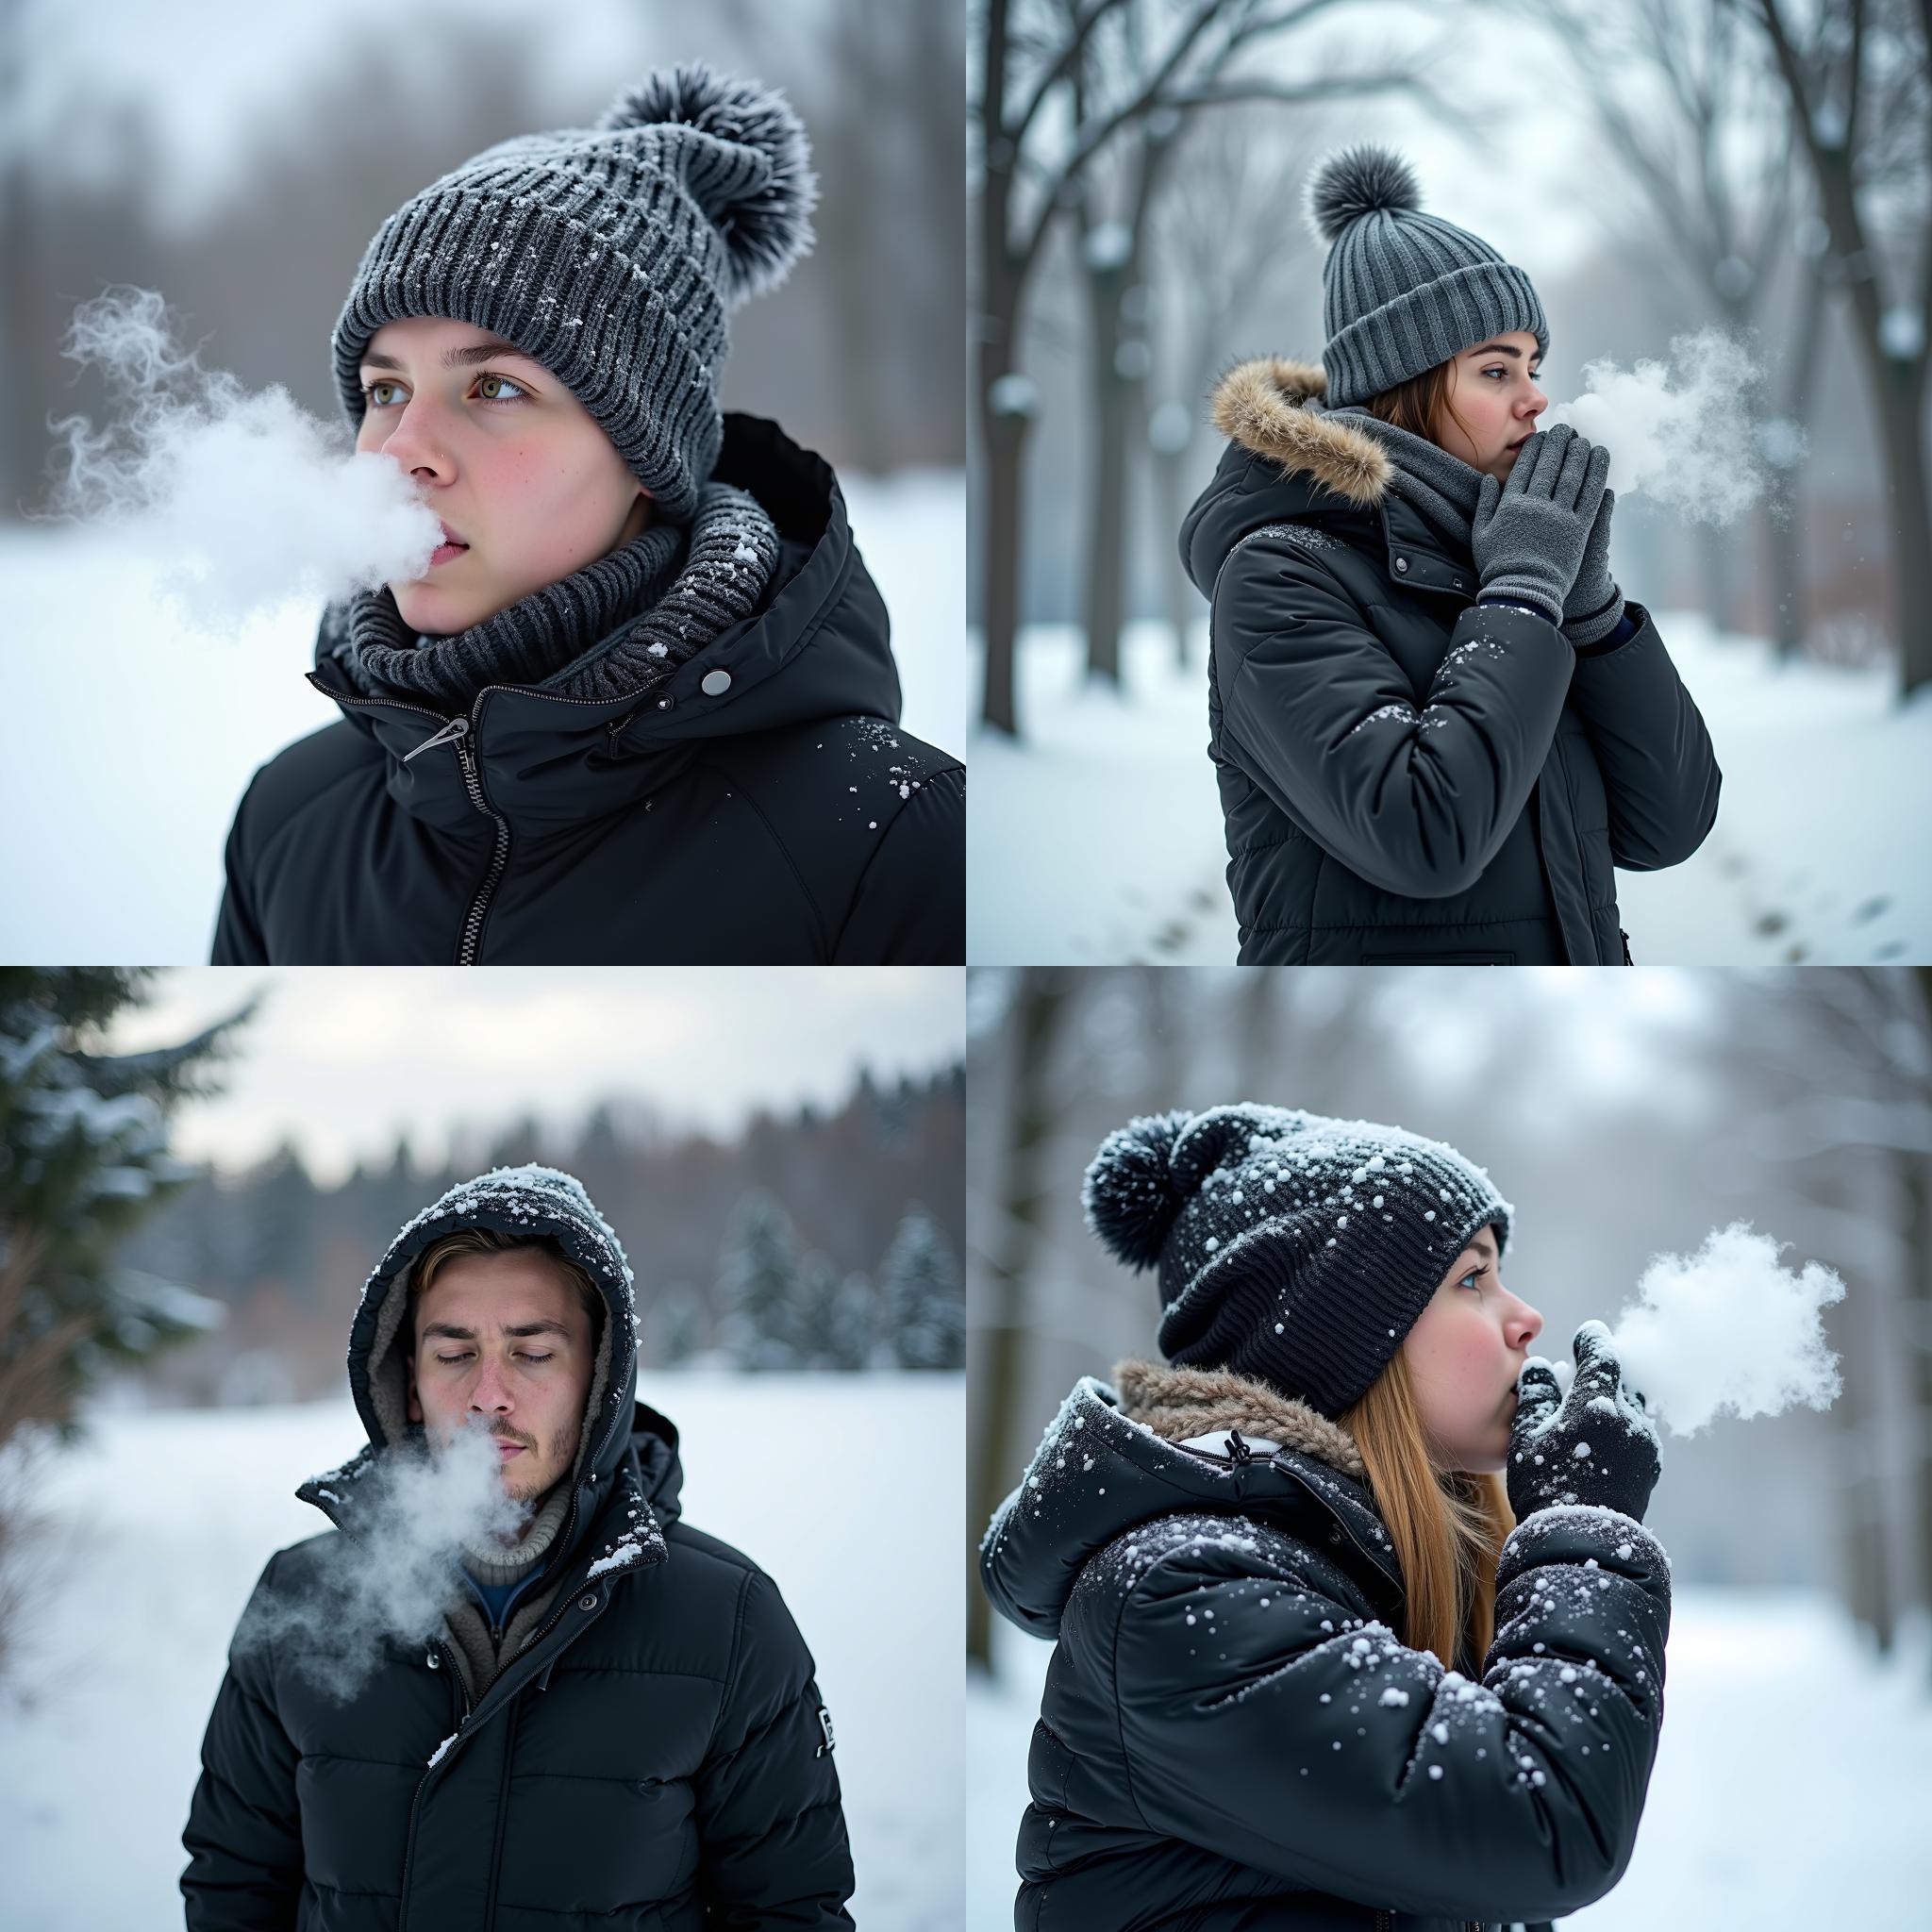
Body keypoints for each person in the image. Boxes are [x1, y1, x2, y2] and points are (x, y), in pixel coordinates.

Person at [212, 64, 963, 965]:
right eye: (384, 390)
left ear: (646, 455)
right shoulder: (287, 817)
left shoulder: (889, 834)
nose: (402, 449)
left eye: (492, 386)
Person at [980, 1104, 1670, 1930]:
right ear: (1339, 1338)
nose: (1527, 1319)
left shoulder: (1376, 1575)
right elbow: (1546, 1824)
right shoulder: (1179, 1596)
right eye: (1472, 1280)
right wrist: (1584, 1522)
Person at [182, 1164, 854, 1929]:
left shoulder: (728, 1621)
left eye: (532, 1353)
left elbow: (792, 1911)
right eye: (454, 1352)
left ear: (598, 1381)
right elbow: (232, 1887)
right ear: (406, 1381)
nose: (488, 1394)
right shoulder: (302, 1599)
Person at [1179, 143, 1719, 965]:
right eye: (1496, 370)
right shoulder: (1280, 575)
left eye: (1534, 365)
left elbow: (1667, 828)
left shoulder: (1499, 559)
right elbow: (1425, 833)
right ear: (1404, 389)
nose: (1537, 396)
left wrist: (1590, 612)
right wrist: (1524, 592)